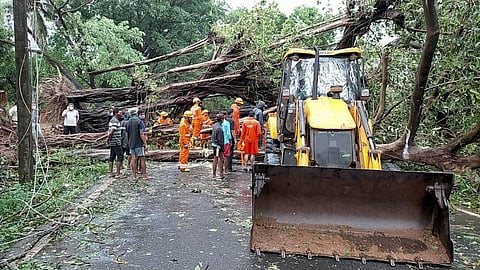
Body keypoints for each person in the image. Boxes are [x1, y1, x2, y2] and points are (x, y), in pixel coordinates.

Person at [125, 108, 150, 180]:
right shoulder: (139, 122)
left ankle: (134, 176)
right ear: (136, 113)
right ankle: (144, 175)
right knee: (142, 158)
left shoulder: (127, 122)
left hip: (131, 143)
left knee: (133, 159)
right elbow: (141, 134)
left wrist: (128, 143)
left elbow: (127, 134)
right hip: (139, 143)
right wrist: (145, 144)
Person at [107, 108, 124, 178]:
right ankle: (118, 173)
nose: (121, 114)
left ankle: (111, 173)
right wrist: (108, 138)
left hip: (113, 141)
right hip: (116, 141)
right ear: (116, 113)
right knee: (120, 156)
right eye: (120, 113)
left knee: (112, 157)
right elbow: (111, 132)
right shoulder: (115, 121)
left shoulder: (112, 120)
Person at [211, 114, 225, 180]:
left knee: (215, 158)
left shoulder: (214, 125)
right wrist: (222, 147)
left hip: (214, 144)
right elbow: (220, 139)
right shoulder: (220, 128)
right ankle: (220, 173)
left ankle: (214, 174)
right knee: (220, 159)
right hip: (218, 146)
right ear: (222, 119)